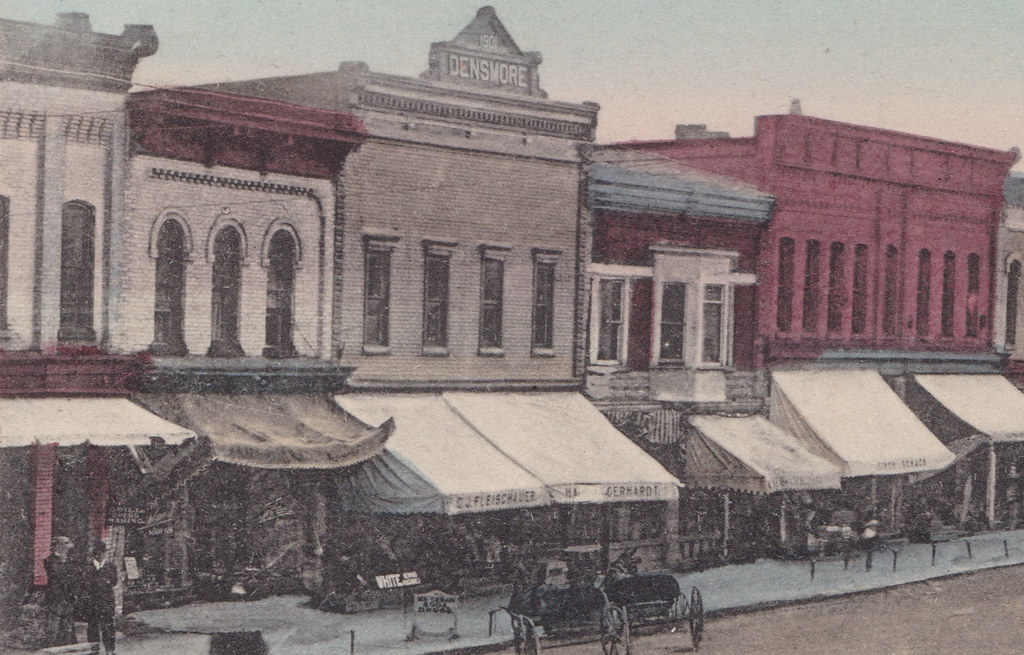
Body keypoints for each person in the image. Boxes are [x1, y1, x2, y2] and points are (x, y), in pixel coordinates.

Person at [78, 542, 117, 654]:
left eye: (102, 552)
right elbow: (85, 583)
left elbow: (114, 582)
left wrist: (99, 582)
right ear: (95, 554)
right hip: (92, 601)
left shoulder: (111, 566)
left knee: (108, 626)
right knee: (92, 626)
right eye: (98, 553)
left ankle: (110, 650)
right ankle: (94, 650)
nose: (101, 555)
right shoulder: (88, 567)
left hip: (107, 601)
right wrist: (103, 582)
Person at [42, 535, 78, 647]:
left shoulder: (69, 560)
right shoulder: (49, 560)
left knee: (67, 621)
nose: (68, 548)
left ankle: (65, 643)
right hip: (56, 596)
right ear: (59, 545)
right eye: (66, 544)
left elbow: (73, 576)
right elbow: (58, 574)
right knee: (54, 621)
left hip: (68, 595)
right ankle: (51, 644)